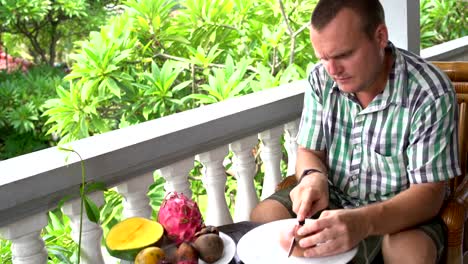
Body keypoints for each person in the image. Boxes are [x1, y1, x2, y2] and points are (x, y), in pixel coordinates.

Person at [250, 0, 461, 263]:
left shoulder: (429, 92)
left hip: (401, 211)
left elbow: (428, 195)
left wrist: (363, 222)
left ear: (380, 37)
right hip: (334, 197)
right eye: (324, 58)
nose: (332, 70)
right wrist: (312, 177)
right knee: (264, 218)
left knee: (410, 253)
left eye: (343, 55)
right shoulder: (321, 78)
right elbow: (309, 150)